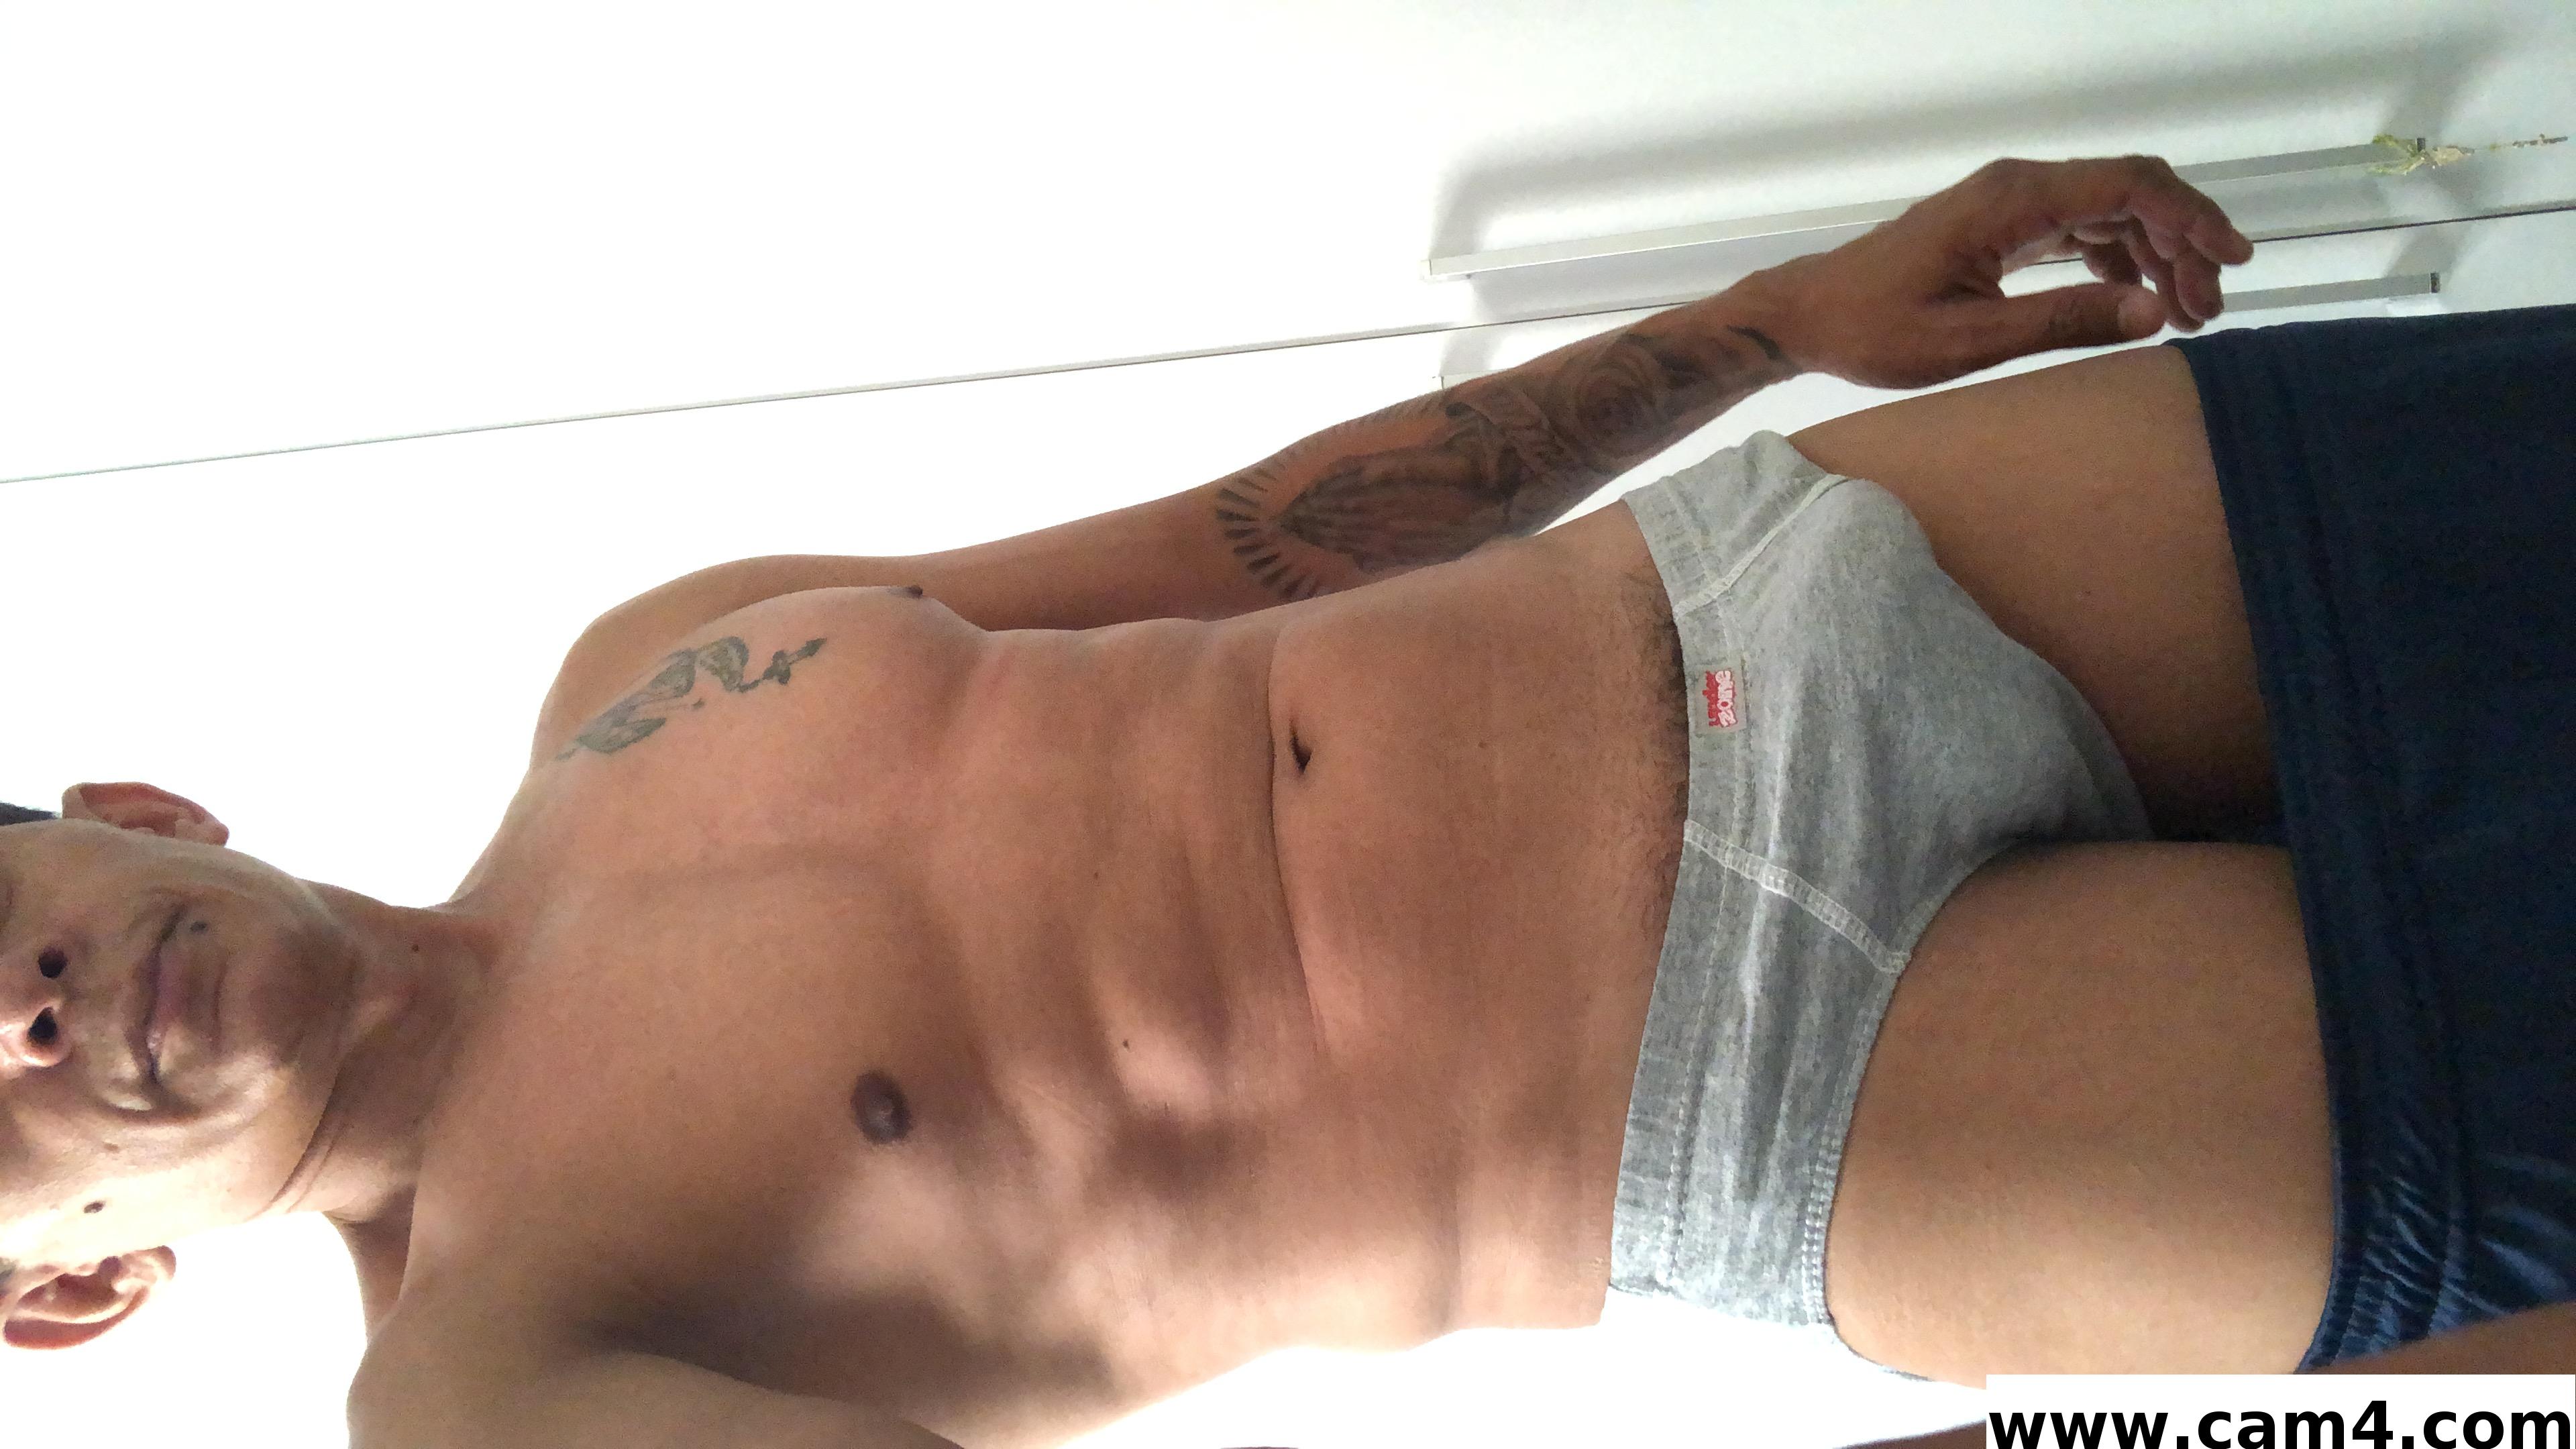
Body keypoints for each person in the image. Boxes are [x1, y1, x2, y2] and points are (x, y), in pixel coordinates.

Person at [2, 155, 2569, 1449]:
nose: (20, 1009)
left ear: (126, 804)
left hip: (1778, 567)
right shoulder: (483, 1381)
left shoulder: (645, 668)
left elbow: (1256, 543)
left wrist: (1770, 318)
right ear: (64, 1296)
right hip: (1788, 1079)